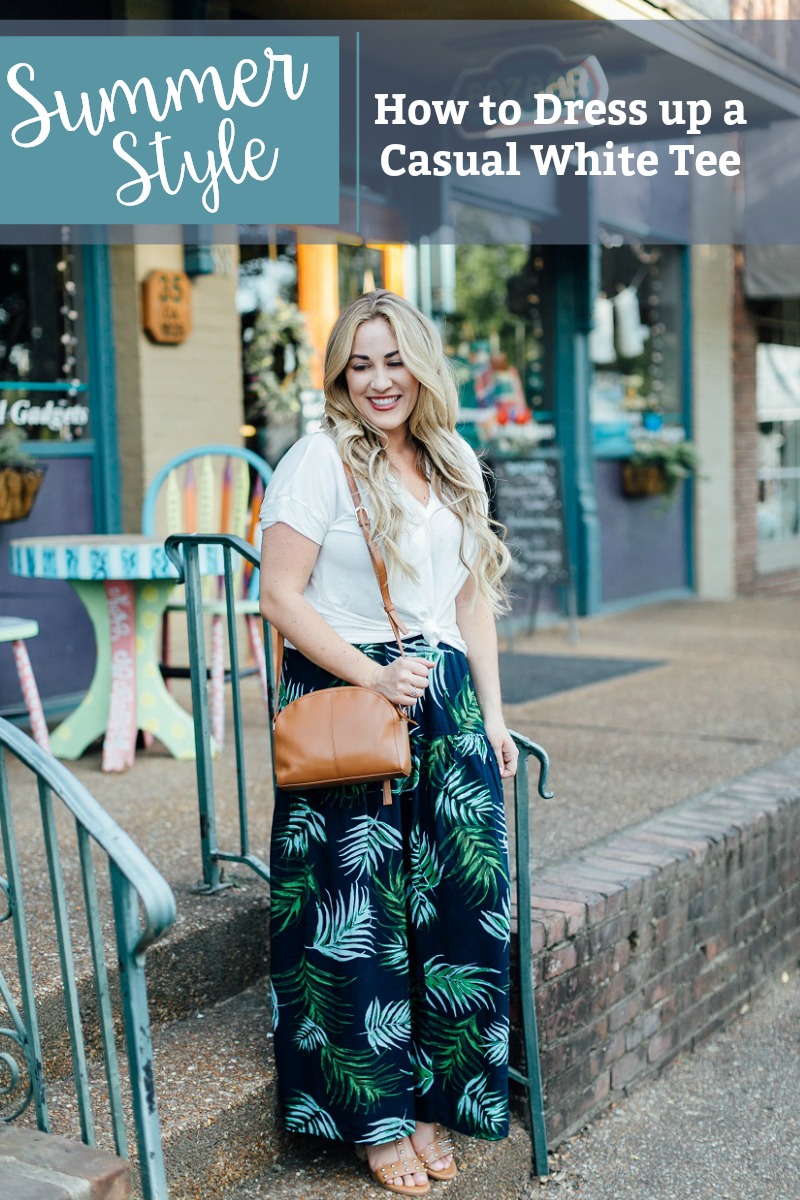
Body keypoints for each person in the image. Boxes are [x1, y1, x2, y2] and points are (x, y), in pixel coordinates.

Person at [259, 290, 518, 1197]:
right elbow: (280, 599)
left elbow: (470, 598)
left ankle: (434, 1100)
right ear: (338, 373)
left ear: (422, 366)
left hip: (444, 704)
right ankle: (374, 1120)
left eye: (393, 360)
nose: (377, 381)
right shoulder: (317, 462)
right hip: (351, 704)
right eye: (359, 363)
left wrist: (491, 713)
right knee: (353, 919)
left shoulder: (454, 462)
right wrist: (370, 676)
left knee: (457, 910)